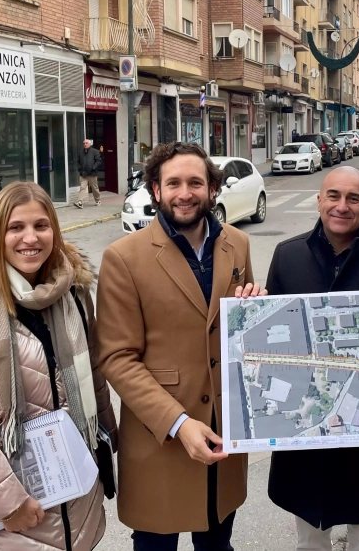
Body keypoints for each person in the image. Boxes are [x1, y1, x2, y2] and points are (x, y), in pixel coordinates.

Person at [0, 182, 118, 550]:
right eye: (16, 227)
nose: (30, 238)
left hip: (74, 492)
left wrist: (107, 444)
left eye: (41, 226)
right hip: (8, 513)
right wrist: (7, 503)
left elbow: (93, 377)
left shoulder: (73, 293)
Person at [96, 142, 265, 551]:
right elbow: (117, 358)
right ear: (156, 190)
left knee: (217, 543)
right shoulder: (124, 257)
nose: (184, 193)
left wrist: (256, 311)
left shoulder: (236, 243)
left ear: (212, 189)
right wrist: (179, 423)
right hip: (160, 436)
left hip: (223, 432)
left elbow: (241, 335)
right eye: (173, 183)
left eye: (195, 183)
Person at [266, 166, 359, 551]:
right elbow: (273, 341)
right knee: (310, 540)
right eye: (333, 196)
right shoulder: (287, 256)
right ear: (319, 200)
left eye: (353, 199)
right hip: (305, 429)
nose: (342, 206)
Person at [75, 138, 103, 208]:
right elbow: (78, 162)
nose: (85, 144)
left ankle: (97, 200)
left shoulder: (95, 151)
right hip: (83, 174)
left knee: (94, 188)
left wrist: (93, 168)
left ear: (90, 144)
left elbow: (98, 161)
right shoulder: (81, 152)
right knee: (82, 188)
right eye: (84, 143)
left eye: (86, 143)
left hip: (92, 174)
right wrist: (79, 169)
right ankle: (80, 202)